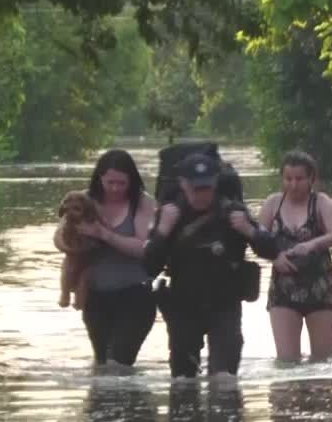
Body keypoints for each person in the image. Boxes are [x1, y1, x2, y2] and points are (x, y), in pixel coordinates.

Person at [143, 152, 279, 379]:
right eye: (195, 188)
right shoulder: (170, 215)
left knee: (224, 379)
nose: (201, 194)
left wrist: (249, 230)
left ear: (215, 182)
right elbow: (149, 267)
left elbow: (273, 251)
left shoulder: (232, 212)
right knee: (183, 381)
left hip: (225, 308)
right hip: (183, 308)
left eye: (206, 187)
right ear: (183, 184)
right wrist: (162, 232)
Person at [54, 149, 158, 367]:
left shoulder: (143, 203)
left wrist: (103, 234)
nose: (115, 188)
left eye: (122, 183)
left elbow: (143, 249)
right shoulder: (82, 200)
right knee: (102, 364)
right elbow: (58, 239)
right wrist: (75, 245)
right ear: (99, 177)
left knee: (118, 364)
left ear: (132, 180)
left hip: (136, 295)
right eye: (110, 182)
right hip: (96, 298)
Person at [256, 151, 332, 362]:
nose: (293, 185)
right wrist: (274, 257)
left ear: (311, 179)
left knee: (322, 363)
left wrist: (312, 244)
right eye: (288, 179)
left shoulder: (321, 202)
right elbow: (257, 239)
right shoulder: (273, 203)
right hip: (283, 290)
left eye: (299, 179)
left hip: (321, 289)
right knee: (286, 362)